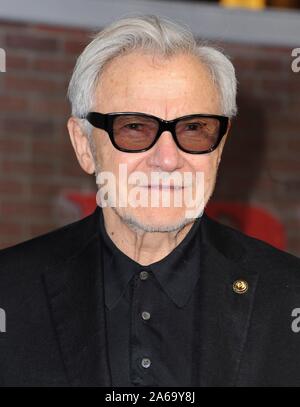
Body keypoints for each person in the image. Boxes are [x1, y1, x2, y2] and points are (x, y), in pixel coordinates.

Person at [0, 15, 299, 387]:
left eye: (193, 129)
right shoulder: (9, 291)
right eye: (135, 128)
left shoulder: (288, 296)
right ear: (84, 145)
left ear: (220, 146)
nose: (168, 160)